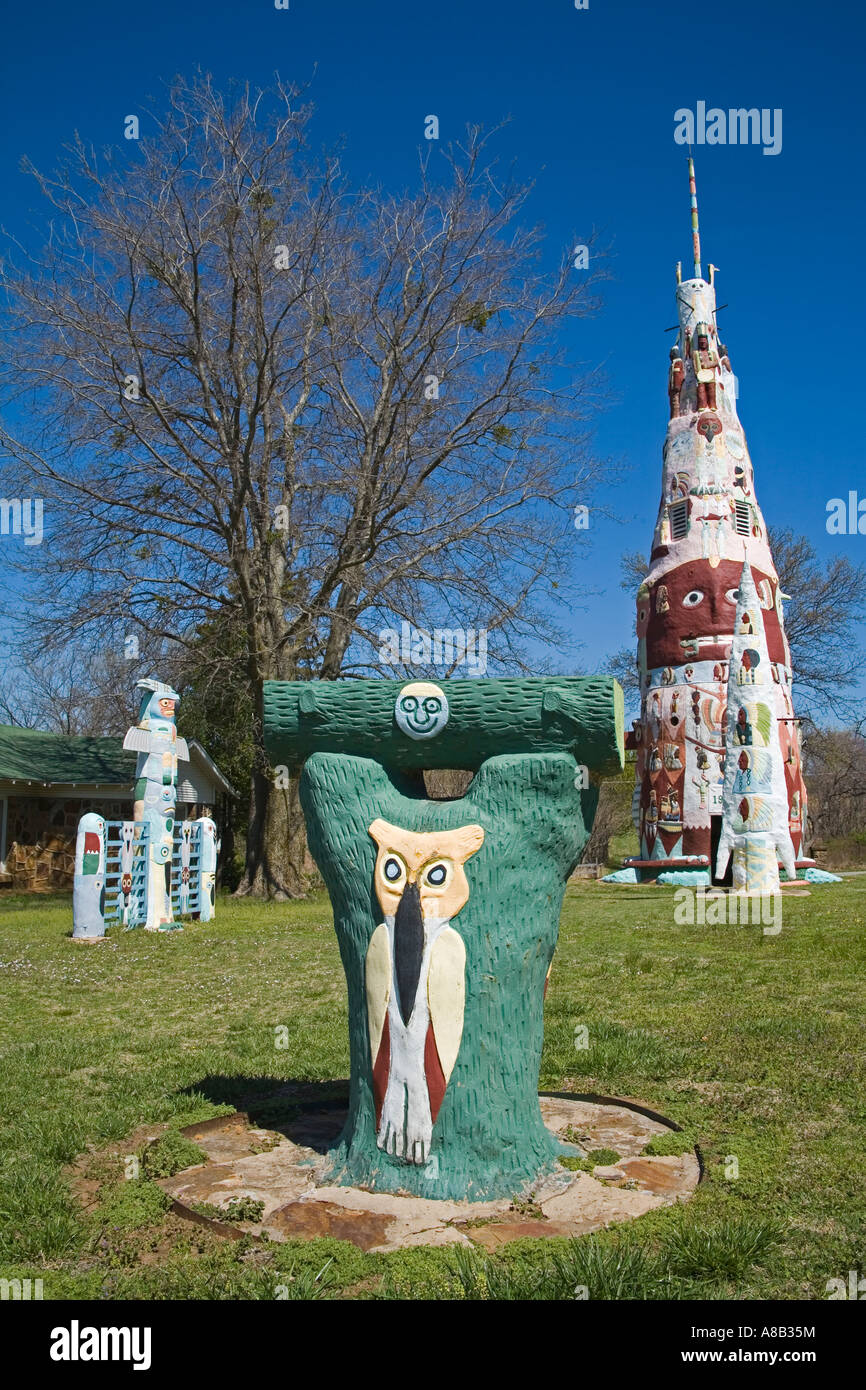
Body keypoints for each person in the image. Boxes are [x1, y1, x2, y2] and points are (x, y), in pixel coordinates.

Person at [691, 323, 720, 411]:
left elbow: (716, 362)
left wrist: (708, 365)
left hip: (711, 375)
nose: (703, 344)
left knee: (711, 390)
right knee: (701, 390)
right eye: (701, 342)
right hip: (701, 375)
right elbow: (695, 364)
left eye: (704, 342)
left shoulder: (712, 353)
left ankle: (712, 405)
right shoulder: (696, 353)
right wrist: (698, 373)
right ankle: (702, 405)